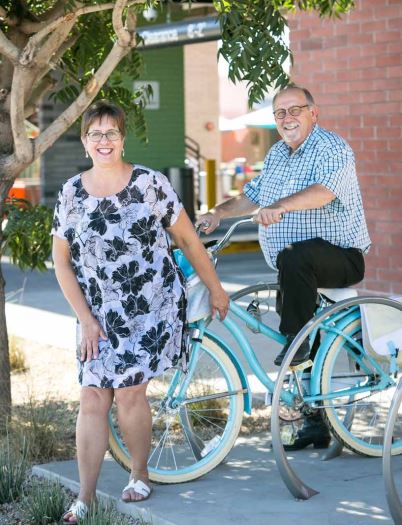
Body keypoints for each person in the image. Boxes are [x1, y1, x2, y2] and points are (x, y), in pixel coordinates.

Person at [52, 100, 229, 523]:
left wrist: (216, 290)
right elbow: (61, 262)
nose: (104, 141)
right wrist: (86, 319)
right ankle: (86, 497)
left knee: (130, 390)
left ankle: (139, 473)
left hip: (150, 307)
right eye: (95, 134)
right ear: (84, 141)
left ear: (123, 137)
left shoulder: (150, 183)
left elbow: (187, 240)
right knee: (93, 395)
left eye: (111, 132)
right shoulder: (72, 193)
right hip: (96, 314)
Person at [198, 85, 371, 450]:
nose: (288, 118)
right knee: (294, 282)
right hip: (296, 270)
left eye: (296, 110)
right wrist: (218, 213)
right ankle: (314, 424)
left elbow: (325, 191)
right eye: (280, 113)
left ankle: (298, 343)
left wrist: (283, 206)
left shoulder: (332, 148)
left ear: (314, 112)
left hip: (340, 256)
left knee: (295, 286)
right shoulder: (277, 154)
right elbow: (252, 196)